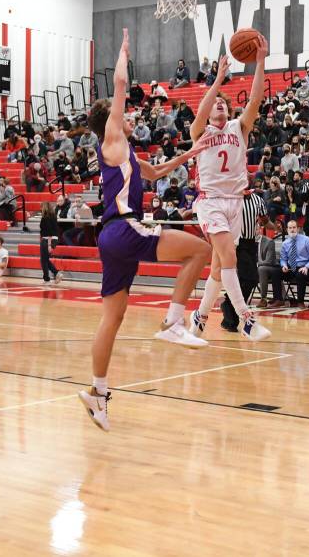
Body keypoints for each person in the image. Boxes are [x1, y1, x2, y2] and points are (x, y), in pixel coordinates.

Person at [76, 29, 212, 432]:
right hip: (124, 228)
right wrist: (122, 52)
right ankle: (173, 322)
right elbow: (120, 83)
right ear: (111, 120)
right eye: (123, 113)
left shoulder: (125, 155)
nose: (129, 116)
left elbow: (155, 172)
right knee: (200, 251)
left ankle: (98, 395)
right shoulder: (112, 138)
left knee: (112, 318)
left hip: (110, 238)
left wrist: (190, 153)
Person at [218, 190, 267, 330]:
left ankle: (229, 317)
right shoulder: (233, 199)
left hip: (252, 242)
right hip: (237, 243)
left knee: (246, 280)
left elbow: (264, 218)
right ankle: (228, 305)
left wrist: (266, 222)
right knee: (250, 279)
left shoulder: (258, 200)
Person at [272, 220, 309, 307]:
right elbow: (283, 259)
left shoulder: (306, 240)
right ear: (287, 229)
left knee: (300, 274)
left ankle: (300, 301)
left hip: (305, 268)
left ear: (298, 228)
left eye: (294, 227)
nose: (292, 230)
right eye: (290, 228)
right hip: (291, 268)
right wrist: (284, 265)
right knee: (275, 272)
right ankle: (278, 299)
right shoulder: (285, 243)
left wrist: (307, 267)